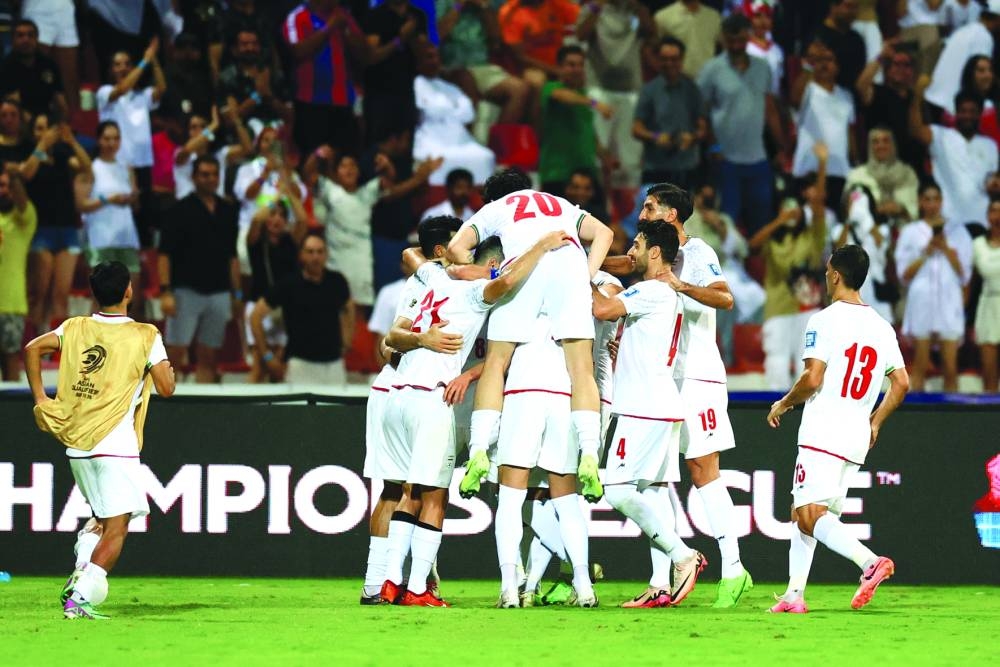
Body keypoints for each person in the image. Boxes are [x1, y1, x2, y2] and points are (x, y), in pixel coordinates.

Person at [380, 228, 575, 607]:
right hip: (431, 397)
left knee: (411, 493)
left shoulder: (432, 278)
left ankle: (390, 582)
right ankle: (418, 587)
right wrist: (542, 244)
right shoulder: (472, 295)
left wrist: (452, 266)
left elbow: (410, 261)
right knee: (435, 497)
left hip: (398, 394)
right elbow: (505, 281)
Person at [446, 168, 614, 505]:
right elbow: (605, 233)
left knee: (495, 363)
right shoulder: (560, 203)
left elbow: (454, 249)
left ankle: (478, 450)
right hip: (569, 268)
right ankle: (590, 454)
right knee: (581, 369)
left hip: (521, 271)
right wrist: (585, 275)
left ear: (494, 196)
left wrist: (489, 272)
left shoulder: (497, 207)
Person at [24, 260, 176, 620]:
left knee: (99, 520)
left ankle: (80, 572)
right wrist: (164, 365)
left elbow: (32, 349)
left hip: (77, 447)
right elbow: (167, 388)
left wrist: (41, 400)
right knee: (118, 528)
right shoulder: (145, 335)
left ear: (94, 293)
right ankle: (79, 597)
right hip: (116, 444)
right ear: (128, 291)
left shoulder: (74, 326)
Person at [767, 244, 909, 613]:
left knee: (809, 514)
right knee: (808, 512)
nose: (826, 275)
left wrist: (784, 402)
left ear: (836, 275)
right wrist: (875, 421)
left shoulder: (824, 320)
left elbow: (813, 378)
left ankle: (869, 562)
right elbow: (902, 383)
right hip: (855, 433)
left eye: (829, 269)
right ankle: (793, 595)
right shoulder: (882, 326)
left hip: (824, 428)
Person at [640, 183, 751, 607]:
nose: (642, 213)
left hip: (698, 377)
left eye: (650, 207)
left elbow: (725, 297)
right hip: (664, 380)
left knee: (704, 471)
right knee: (655, 476)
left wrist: (680, 286)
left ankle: (734, 569)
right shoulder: (651, 254)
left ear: (671, 215)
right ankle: (661, 581)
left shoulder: (697, 253)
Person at [591, 220, 706, 607]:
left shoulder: (651, 289)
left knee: (617, 490)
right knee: (653, 495)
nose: (632, 252)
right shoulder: (663, 294)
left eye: (637, 245)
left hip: (643, 407)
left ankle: (682, 556)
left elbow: (603, 308)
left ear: (655, 252)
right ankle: (659, 584)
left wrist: (579, 272)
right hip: (660, 404)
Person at [360, 216, 462, 604]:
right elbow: (389, 346)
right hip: (403, 388)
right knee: (406, 489)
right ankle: (391, 583)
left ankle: (381, 584)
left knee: (397, 489)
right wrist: (421, 342)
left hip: (394, 388)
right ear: (440, 252)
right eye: (458, 242)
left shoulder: (425, 281)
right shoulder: (433, 281)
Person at [492, 309, 598, 609]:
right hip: (563, 396)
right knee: (566, 502)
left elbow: (497, 361)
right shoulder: (572, 299)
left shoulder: (516, 295)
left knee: (510, 500)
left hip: (522, 394)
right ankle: (583, 584)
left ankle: (509, 587)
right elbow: (583, 368)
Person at [698, 12, 786, 234]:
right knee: (727, 225)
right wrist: (713, 147)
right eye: (731, 40)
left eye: (740, 39)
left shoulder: (763, 67)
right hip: (726, 160)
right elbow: (701, 113)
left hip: (758, 159)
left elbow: (771, 110)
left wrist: (783, 148)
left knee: (762, 225)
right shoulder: (712, 69)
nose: (736, 45)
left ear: (748, 36)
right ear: (723, 39)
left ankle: (758, 270)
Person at [750, 143, 829, 391]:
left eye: (794, 211)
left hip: (807, 308)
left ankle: (805, 412)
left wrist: (822, 166)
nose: (791, 215)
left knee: (808, 363)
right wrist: (778, 222)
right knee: (776, 361)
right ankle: (776, 412)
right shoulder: (773, 242)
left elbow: (818, 207)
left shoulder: (811, 237)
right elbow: (753, 244)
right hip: (779, 308)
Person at [158, 156, 241, 384]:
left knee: (210, 354)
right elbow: (164, 254)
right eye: (205, 174)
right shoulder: (179, 210)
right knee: (174, 352)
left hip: (220, 291)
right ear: (194, 177)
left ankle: (202, 403)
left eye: (214, 174)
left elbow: (232, 256)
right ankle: (169, 402)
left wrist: (237, 293)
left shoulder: (227, 210)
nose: (210, 179)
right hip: (186, 290)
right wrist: (165, 292)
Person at [894, 182, 973, 392]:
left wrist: (946, 248)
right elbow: (903, 274)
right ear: (920, 202)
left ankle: (953, 418)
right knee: (920, 366)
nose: (932, 204)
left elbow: (965, 274)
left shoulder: (957, 232)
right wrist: (926, 252)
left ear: (941, 201)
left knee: (950, 367)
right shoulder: (910, 232)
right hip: (922, 302)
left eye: (935, 199)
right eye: (927, 199)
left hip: (949, 301)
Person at [251, 234, 354, 385]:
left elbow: (349, 309)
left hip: (333, 365)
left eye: (320, 252)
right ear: (301, 255)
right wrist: (267, 356)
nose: (315, 257)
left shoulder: (337, 281)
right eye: (310, 252)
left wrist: (346, 341)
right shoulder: (289, 284)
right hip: (300, 365)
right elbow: (255, 316)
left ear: (326, 255)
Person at [20, 114, 91, 332]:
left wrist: (71, 141)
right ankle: (34, 341)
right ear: (33, 133)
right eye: (39, 129)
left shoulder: (63, 156)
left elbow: (86, 167)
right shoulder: (31, 155)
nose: (44, 133)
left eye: (47, 129)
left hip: (67, 229)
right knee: (39, 290)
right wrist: (42, 145)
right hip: (41, 230)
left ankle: (58, 346)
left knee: (61, 291)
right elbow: (26, 174)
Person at [576, 0, 654, 193]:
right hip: (598, 89)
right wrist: (597, 6)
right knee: (598, 155)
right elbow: (581, 35)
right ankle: (598, 204)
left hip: (631, 91)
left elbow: (652, 34)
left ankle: (628, 212)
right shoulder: (593, 8)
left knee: (630, 158)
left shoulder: (636, 11)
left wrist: (639, 8)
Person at [97, 39, 167, 247]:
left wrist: (153, 61)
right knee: (122, 214)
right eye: (118, 64)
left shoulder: (142, 95)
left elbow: (161, 88)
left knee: (144, 215)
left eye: (127, 63)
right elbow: (122, 88)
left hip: (142, 163)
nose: (124, 68)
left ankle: (144, 262)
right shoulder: (105, 93)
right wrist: (143, 62)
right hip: (117, 163)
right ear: (110, 70)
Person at [911, 75, 998, 235]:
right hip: (949, 221)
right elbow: (915, 130)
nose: (968, 116)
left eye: (973, 112)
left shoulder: (990, 145)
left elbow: (994, 180)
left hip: (983, 222)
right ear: (956, 112)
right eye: (963, 111)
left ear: (980, 114)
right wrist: (917, 95)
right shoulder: (940, 135)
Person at [73, 121, 142, 318]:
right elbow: (81, 205)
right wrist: (108, 199)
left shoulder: (126, 168)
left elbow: (135, 205)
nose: (112, 143)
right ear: (99, 140)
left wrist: (133, 199)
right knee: (101, 301)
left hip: (126, 237)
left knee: (130, 298)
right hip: (100, 238)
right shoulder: (91, 168)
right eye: (107, 138)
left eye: (116, 138)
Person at [282, 0, 369, 155]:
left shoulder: (344, 16)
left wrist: (346, 30)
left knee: (345, 160)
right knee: (315, 159)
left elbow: (364, 54)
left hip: (344, 102)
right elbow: (298, 50)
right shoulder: (298, 17)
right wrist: (330, 27)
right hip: (311, 103)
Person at [244, 183, 310, 384]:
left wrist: (288, 193)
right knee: (259, 365)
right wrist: (274, 199)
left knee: (280, 367)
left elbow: (302, 219)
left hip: (285, 309)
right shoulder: (256, 242)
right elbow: (256, 218)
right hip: (259, 306)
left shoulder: (290, 241)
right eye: (272, 215)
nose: (276, 219)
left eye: (282, 215)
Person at [632, 37, 706, 201]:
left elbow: (702, 128)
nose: (669, 63)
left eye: (674, 59)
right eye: (665, 59)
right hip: (656, 168)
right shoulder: (649, 90)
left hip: (686, 168)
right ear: (658, 60)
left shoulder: (692, 89)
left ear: (681, 60)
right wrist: (656, 137)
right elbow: (636, 129)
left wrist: (692, 137)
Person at [412, 43, 496, 186]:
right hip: (430, 139)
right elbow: (428, 111)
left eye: (436, 57)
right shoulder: (414, 85)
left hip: (460, 139)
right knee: (436, 158)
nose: (434, 61)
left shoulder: (449, 87)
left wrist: (445, 110)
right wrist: (451, 109)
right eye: (429, 57)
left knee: (485, 156)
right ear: (418, 61)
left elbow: (468, 113)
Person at [434, 0, 530, 124]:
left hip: (481, 66)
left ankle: (498, 140)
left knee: (520, 90)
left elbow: (496, 41)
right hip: (451, 66)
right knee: (467, 81)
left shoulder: (484, 5)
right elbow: (437, 36)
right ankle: (466, 139)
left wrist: (483, 7)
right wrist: (459, 6)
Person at [537, 45, 614, 195]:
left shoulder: (582, 94)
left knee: (598, 216)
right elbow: (561, 96)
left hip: (586, 171)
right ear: (559, 67)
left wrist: (604, 155)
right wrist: (594, 103)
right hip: (557, 173)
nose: (577, 69)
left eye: (580, 65)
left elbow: (588, 130)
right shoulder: (551, 87)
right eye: (571, 65)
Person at [791, 40, 857, 210]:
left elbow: (849, 131)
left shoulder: (846, 96)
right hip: (808, 170)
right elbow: (794, 99)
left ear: (837, 66)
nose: (825, 65)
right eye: (820, 60)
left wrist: (855, 162)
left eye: (829, 60)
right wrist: (808, 66)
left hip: (839, 171)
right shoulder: (808, 89)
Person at [856, 41, 926, 173]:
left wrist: (917, 96)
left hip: (910, 169)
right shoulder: (878, 92)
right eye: (896, 64)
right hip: (881, 167)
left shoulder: (915, 98)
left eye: (907, 65)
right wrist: (881, 57)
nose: (901, 69)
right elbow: (861, 85)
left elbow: (919, 132)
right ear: (887, 69)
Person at [831, 184, 895, 323]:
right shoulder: (839, 230)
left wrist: (866, 218)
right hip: (849, 291)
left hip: (876, 288)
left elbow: (882, 244)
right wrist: (849, 219)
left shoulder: (881, 229)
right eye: (852, 201)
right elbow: (837, 251)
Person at [925, 3, 1000, 114]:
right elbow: (979, 79)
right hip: (950, 107)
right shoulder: (983, 37)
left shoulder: (963, 31)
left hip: (932, 100)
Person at [216, 28, 293, 131]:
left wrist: (269, 98)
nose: (250, 48)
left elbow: (291, 116)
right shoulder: (227, 78)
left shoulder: (275, 75)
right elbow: (230, 121)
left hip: (275, 132)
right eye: (244, 44)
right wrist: (257, 96)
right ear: (234, 49)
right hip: (242, 136)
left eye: (255, 44)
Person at [0, 169, 36, 380]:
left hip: (11, 304)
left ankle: (10, 412)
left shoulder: (23, 218)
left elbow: (22, 200)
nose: (2, 191)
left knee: (11, 359)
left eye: (5, 186)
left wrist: (15, 177)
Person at [172, 105, 253, 200]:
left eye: (203, 126)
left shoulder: (220, 155)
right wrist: (214, 124)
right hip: (187, 209)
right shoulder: (180, 153)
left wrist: (236, 120)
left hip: (215, 210)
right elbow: (189, 148)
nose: (199, 130)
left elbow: (247, 148)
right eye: (193, 127)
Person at [845, 127, 919, 227]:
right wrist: (875, 209)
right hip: (869, 234)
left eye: (886, 141)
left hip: (904, 232)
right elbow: (848, 210)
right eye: (875, 142)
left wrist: (901, 209)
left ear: (893, 145)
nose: (881, 146)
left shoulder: (907, 173)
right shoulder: (857, 175)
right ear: (869, 146)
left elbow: (917, 209)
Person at [498, 0, 580, 89]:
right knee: (536, 81)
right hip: (529, 68)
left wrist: (595, 6)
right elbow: (519, 57)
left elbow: (582, 18)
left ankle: (591, 101)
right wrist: (556, 70)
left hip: (561, 62)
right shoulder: (509, 12)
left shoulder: (557, 3)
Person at [0, 18, 67, 120]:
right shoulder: (5, 67)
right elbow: (9, 106)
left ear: (37, 39)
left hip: (45, 119)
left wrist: (62, 125)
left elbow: (60, 101)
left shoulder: (49, 64)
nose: (26, 40)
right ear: (12, 40)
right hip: (17, 122)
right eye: (20, 35)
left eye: (30, 35)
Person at [18, 1, 79, 114]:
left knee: (70, 80)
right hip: (37, 11)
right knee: (35, 72)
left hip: (65, 9)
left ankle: (73, 126)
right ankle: (32, 122)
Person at [654, 0, 721, 79]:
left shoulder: (714, 17)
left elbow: (723, 49)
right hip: (677, 82)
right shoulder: (663, 17)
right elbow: (655, 51)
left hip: (709, 81)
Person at [974, 200, 1000, 392]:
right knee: (989, 371)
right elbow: (981, 272)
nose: (997, 217)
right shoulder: (978, 244)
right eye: (993, 211)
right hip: (988, 305)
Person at [745, 1, 784, 96]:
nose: (763, 22)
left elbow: (778, 84)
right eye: (758, 16)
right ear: (750, 19)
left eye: (767, 16)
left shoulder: (777, 50)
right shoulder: (744, 48)